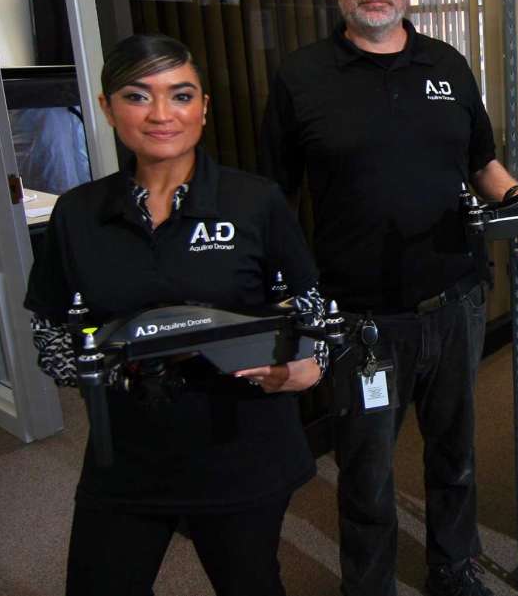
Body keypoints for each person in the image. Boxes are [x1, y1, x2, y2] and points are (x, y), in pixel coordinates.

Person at [259, 0, 518, 596]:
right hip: (359, 322)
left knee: (454, 457)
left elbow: (481, 162)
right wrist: (287, 315)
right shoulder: (302, 78)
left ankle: (453, 571)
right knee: (366, 474)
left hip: (454, 302)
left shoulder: (447, 67)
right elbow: (274, 204)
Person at [24, 33, 328, 596]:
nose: (162, 114)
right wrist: (113, 364)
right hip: (128, 453)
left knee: (250, 584)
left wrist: (305, 367)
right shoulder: (78, 214)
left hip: (241, 449)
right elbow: (51, 333)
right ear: (107, 107)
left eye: (180, 95)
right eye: (138, 96)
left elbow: (314, 315)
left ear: (204, 107)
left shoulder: (255, 202)